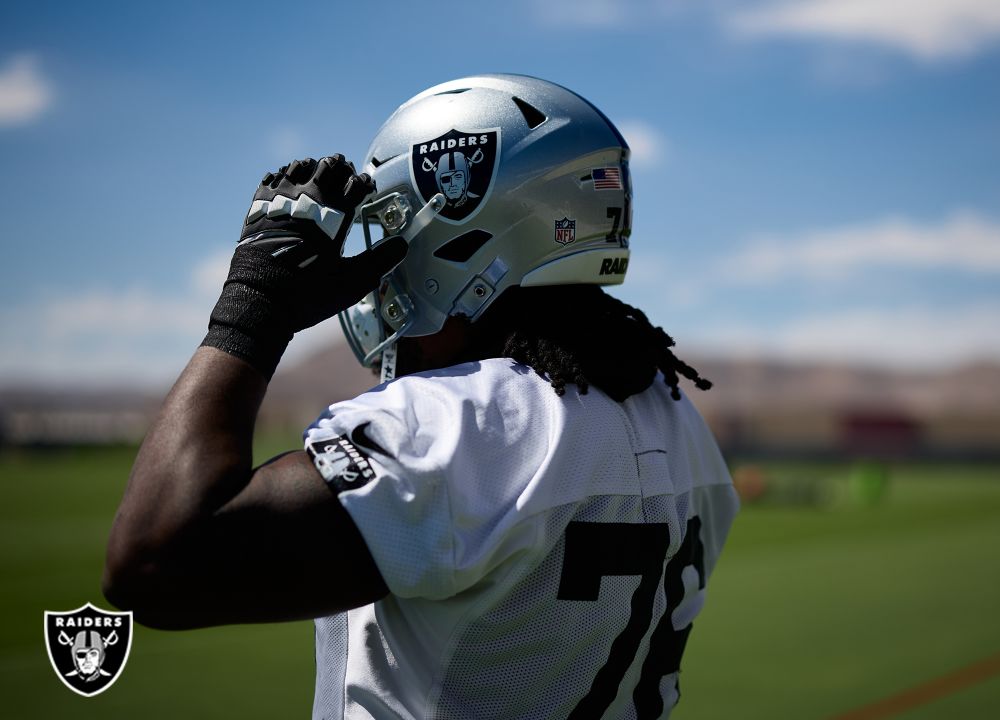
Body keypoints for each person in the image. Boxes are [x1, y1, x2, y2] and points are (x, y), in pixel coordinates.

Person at [103, 74, 739, 719]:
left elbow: (156, 563)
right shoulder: (675, 414)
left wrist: (250, 312)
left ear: (461, 232)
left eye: (391, 232)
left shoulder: (460, 424)